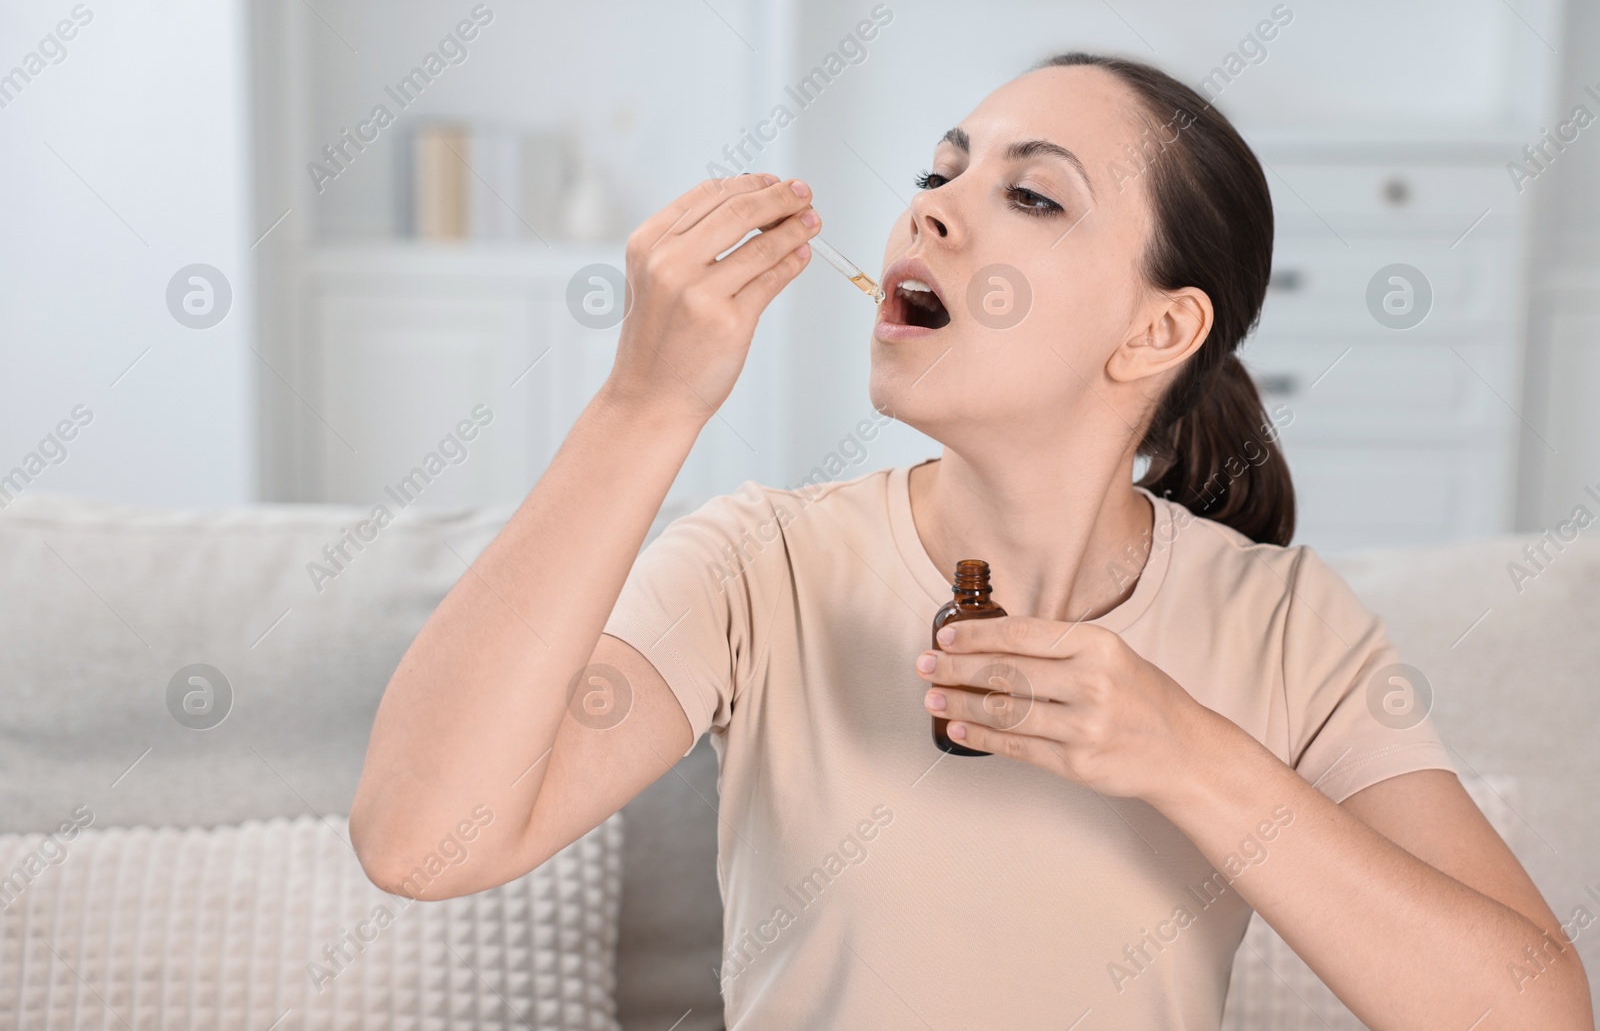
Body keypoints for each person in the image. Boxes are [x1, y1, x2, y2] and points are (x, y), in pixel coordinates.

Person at [349, 53, 1592, 1029]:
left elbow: (1531, 1012)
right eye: (939, 171)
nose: (931, 209)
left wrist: (1186, 755)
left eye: (1032, 192)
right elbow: (419, 841)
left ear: (1158, 332)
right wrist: (644, 403)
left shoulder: (1282, 625)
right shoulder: (761, 566)